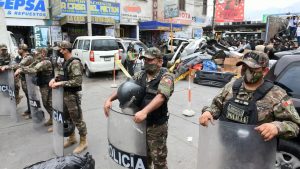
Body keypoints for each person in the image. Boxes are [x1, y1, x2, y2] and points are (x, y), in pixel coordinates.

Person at [199, 51, 300, 141]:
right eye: (244, 67)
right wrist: (209, 112)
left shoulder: (277, 94)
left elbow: (294, 125)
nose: (247, 71)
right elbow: (217, 105)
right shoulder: (232, 85)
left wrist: (276, 127)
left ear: (265, 71)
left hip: (255, 154)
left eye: (252, 68)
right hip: (227, 148)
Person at [104, 47, 175, 169]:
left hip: (156, 127)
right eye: (145, 59)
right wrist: (109, 99)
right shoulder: (140, 74)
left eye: (150, 60)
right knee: (141, 157)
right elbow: (125, 87)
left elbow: (161, 97)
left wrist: (144, 111)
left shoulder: (166, 77)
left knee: (159, 161)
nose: (146, 62)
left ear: (159, 61)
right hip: (139, 125)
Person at [49, 41, 88, 154]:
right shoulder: (65, 62)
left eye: (60, 49)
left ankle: (83, 142)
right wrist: (55, 79)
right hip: (63, 95)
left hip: (71, 96)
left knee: (77, 119)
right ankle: (72, 138)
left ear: (65, 49)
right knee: (66, 118)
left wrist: (60, 84)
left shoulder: (74, 62)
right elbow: (61, 75)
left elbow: (77, 81)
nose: (59, 51)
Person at [15, 48, 54, 127]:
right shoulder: (38, 61)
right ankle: (53, 119)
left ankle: (55, 121)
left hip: (47, 85)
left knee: (47, 103)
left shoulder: (45, 62)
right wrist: (19, 68)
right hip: (43, 85)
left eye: (37, 53)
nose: (35, 55)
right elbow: (30, 67)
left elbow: (33, 70)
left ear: (43, 53)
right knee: (47, 103)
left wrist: (21, 70)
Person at [2, 44, 34, 118]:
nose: (18, 50)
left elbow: (19, 65)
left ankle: (33, 113)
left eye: (19, 49)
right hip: (24, 79)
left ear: (22, 49)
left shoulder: (28, 57)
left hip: (29, 79)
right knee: (27, 95)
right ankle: (29, 110)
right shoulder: (23, 57)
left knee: (31, 96)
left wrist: (7, 66)